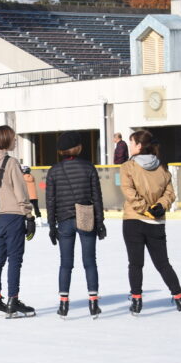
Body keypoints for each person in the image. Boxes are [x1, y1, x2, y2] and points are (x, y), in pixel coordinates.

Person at [120, 130, 181, 315]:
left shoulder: (128, 167)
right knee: (163, 263)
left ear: (139, 146)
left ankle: (136, 300)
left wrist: (145, 209)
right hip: (156, 223)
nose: (130, 146)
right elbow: (170, 193)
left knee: (135, 264)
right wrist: (159, 206)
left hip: (134, 220)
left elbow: (129, 192)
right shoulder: (162, 167)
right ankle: (179, 297)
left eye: (131, 143)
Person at [45, 132, 106, 319]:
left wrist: (51, 226)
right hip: (86, 217)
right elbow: (97, 197)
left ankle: (63, 305)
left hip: (64, 220)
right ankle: (93, 303)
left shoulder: (53, 171)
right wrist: (100, 222)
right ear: (78, 147)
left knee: (65, 263)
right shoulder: (89, 168)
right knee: (89, 262)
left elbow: (50, 201)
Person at [0, 125, 36, 318]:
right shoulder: (11, 162)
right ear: (6, 140)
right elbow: (20, 192)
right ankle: (13, 300)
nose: (15, 141)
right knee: (15, 259)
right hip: (13, 215)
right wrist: (29, 216)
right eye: (13, 138)